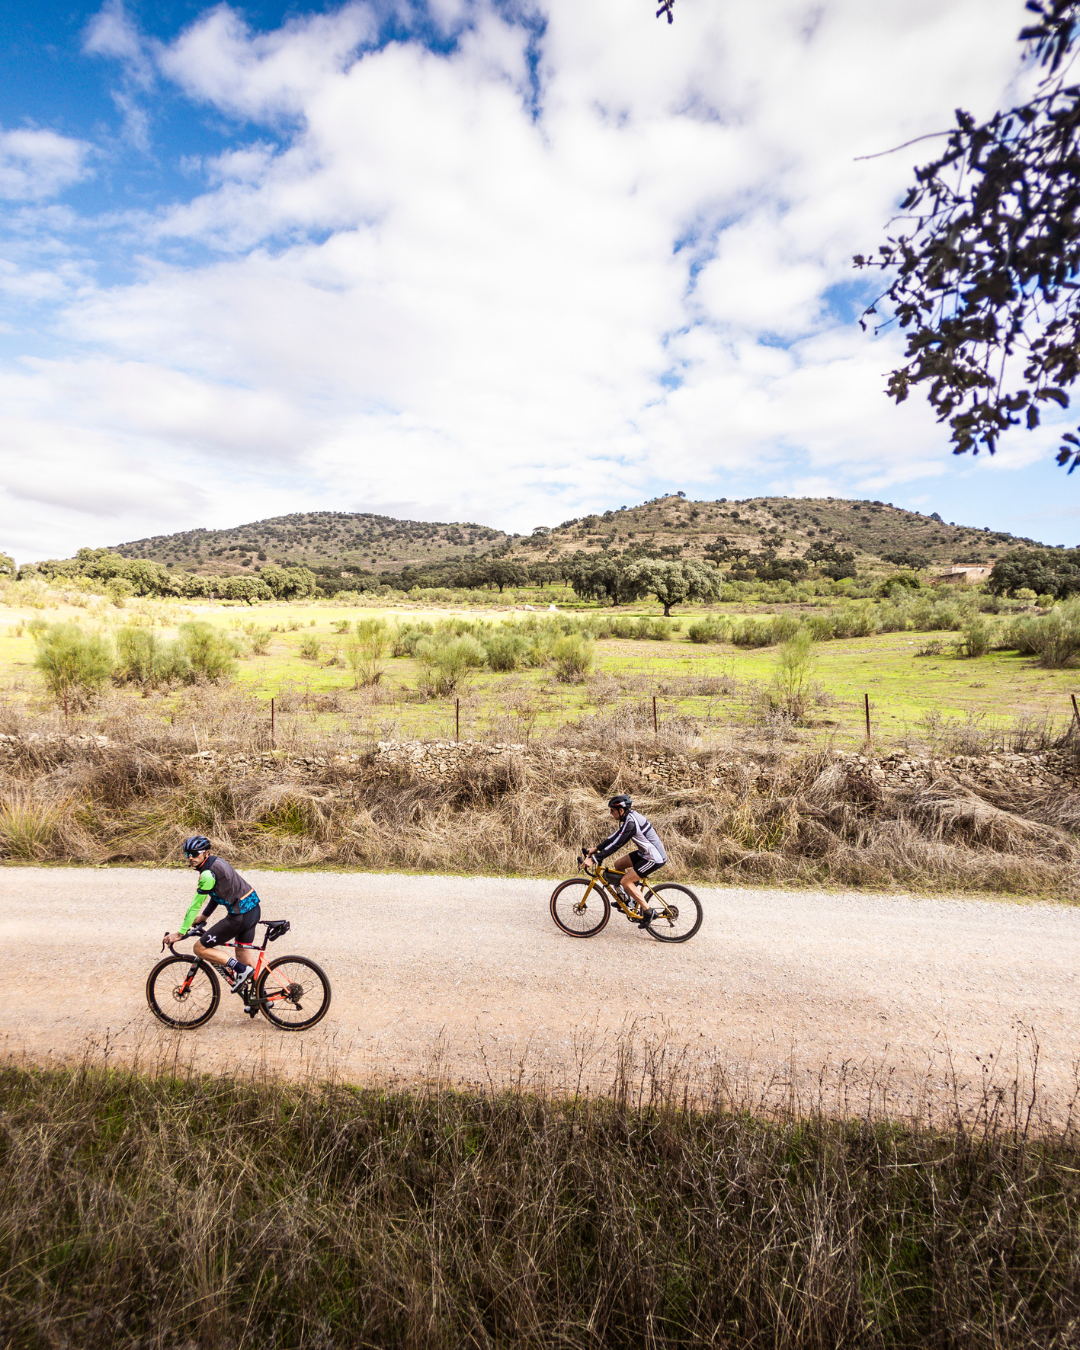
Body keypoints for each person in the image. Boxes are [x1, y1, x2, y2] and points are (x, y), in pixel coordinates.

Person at [165, 836, 261, 993]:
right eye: (187, 854)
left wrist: (181, 933)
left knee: (200, 948)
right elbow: (219, 893)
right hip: (253, 911)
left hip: (240, 916)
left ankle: (241, 971)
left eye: (195, 853)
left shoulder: (207, 874)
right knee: (243, 954)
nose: (190, 857)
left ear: (206, 853)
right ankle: (260, 996)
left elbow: (195, 905)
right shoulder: (216, 862)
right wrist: (205, 917)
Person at [586, 795, 667, 925]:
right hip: (645, 853)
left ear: (621, 810)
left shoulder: (631, 823)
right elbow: (615, 837)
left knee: (625, 881)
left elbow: (617, 844)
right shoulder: (629, 818)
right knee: (618, 865)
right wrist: (596, 848)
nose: (611, 813)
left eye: (612, 810)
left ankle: (648, 912)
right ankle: (630, 899)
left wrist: (595, 859)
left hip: (654, 858)